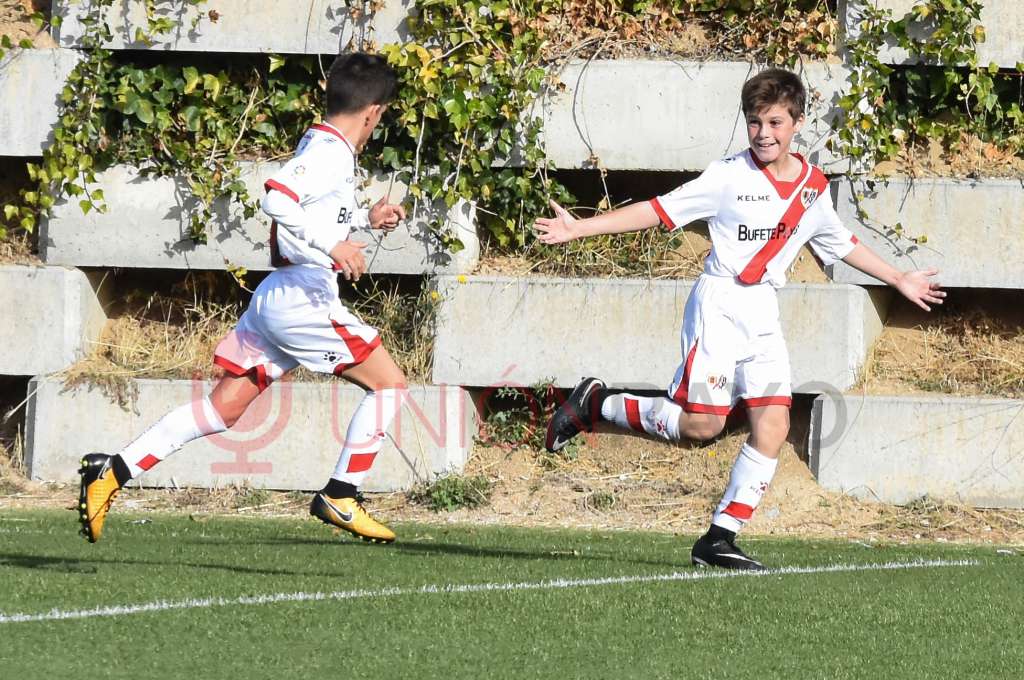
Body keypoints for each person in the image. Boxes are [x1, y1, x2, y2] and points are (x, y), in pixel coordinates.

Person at [537, 68, 945, 570]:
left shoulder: (813, 188)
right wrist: (580, 229)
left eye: (775, 122)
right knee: (701, 427)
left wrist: (899, 278)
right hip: (720, 307)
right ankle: (596, 404)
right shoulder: (727, 177)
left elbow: (841, 244)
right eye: (754, 122)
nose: (763, 133)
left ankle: (718, 539)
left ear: (797, 123)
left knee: (773, 425)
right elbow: (657, 210)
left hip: (763, 312)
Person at [78, 52, 409, 545]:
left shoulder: (321, 141)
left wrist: (364, 219)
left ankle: (112, 470)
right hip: (303, 298)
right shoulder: (331, 153)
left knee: (221, 411)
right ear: (373, 112)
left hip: (278, 296)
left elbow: (308, 212)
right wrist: (333, 245)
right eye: (380, 118)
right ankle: (341, 493)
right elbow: (277, 198)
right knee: (389, 386)